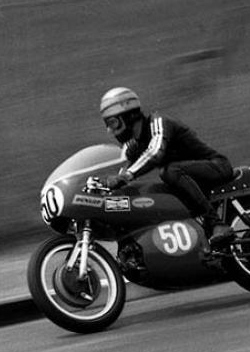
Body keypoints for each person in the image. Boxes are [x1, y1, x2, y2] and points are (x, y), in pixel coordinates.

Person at [100, 87, 235, 247]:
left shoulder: (158, 122)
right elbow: (127, 169)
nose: (110, 130)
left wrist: (127, 175)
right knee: (144, 189)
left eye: (113, 123)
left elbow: (155, 152)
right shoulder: (136, 145)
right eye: (107, 125)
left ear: (129, 115)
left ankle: (216, 224)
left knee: (170, 171)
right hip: (189, 179)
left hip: (216, 166)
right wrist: (107, 186)